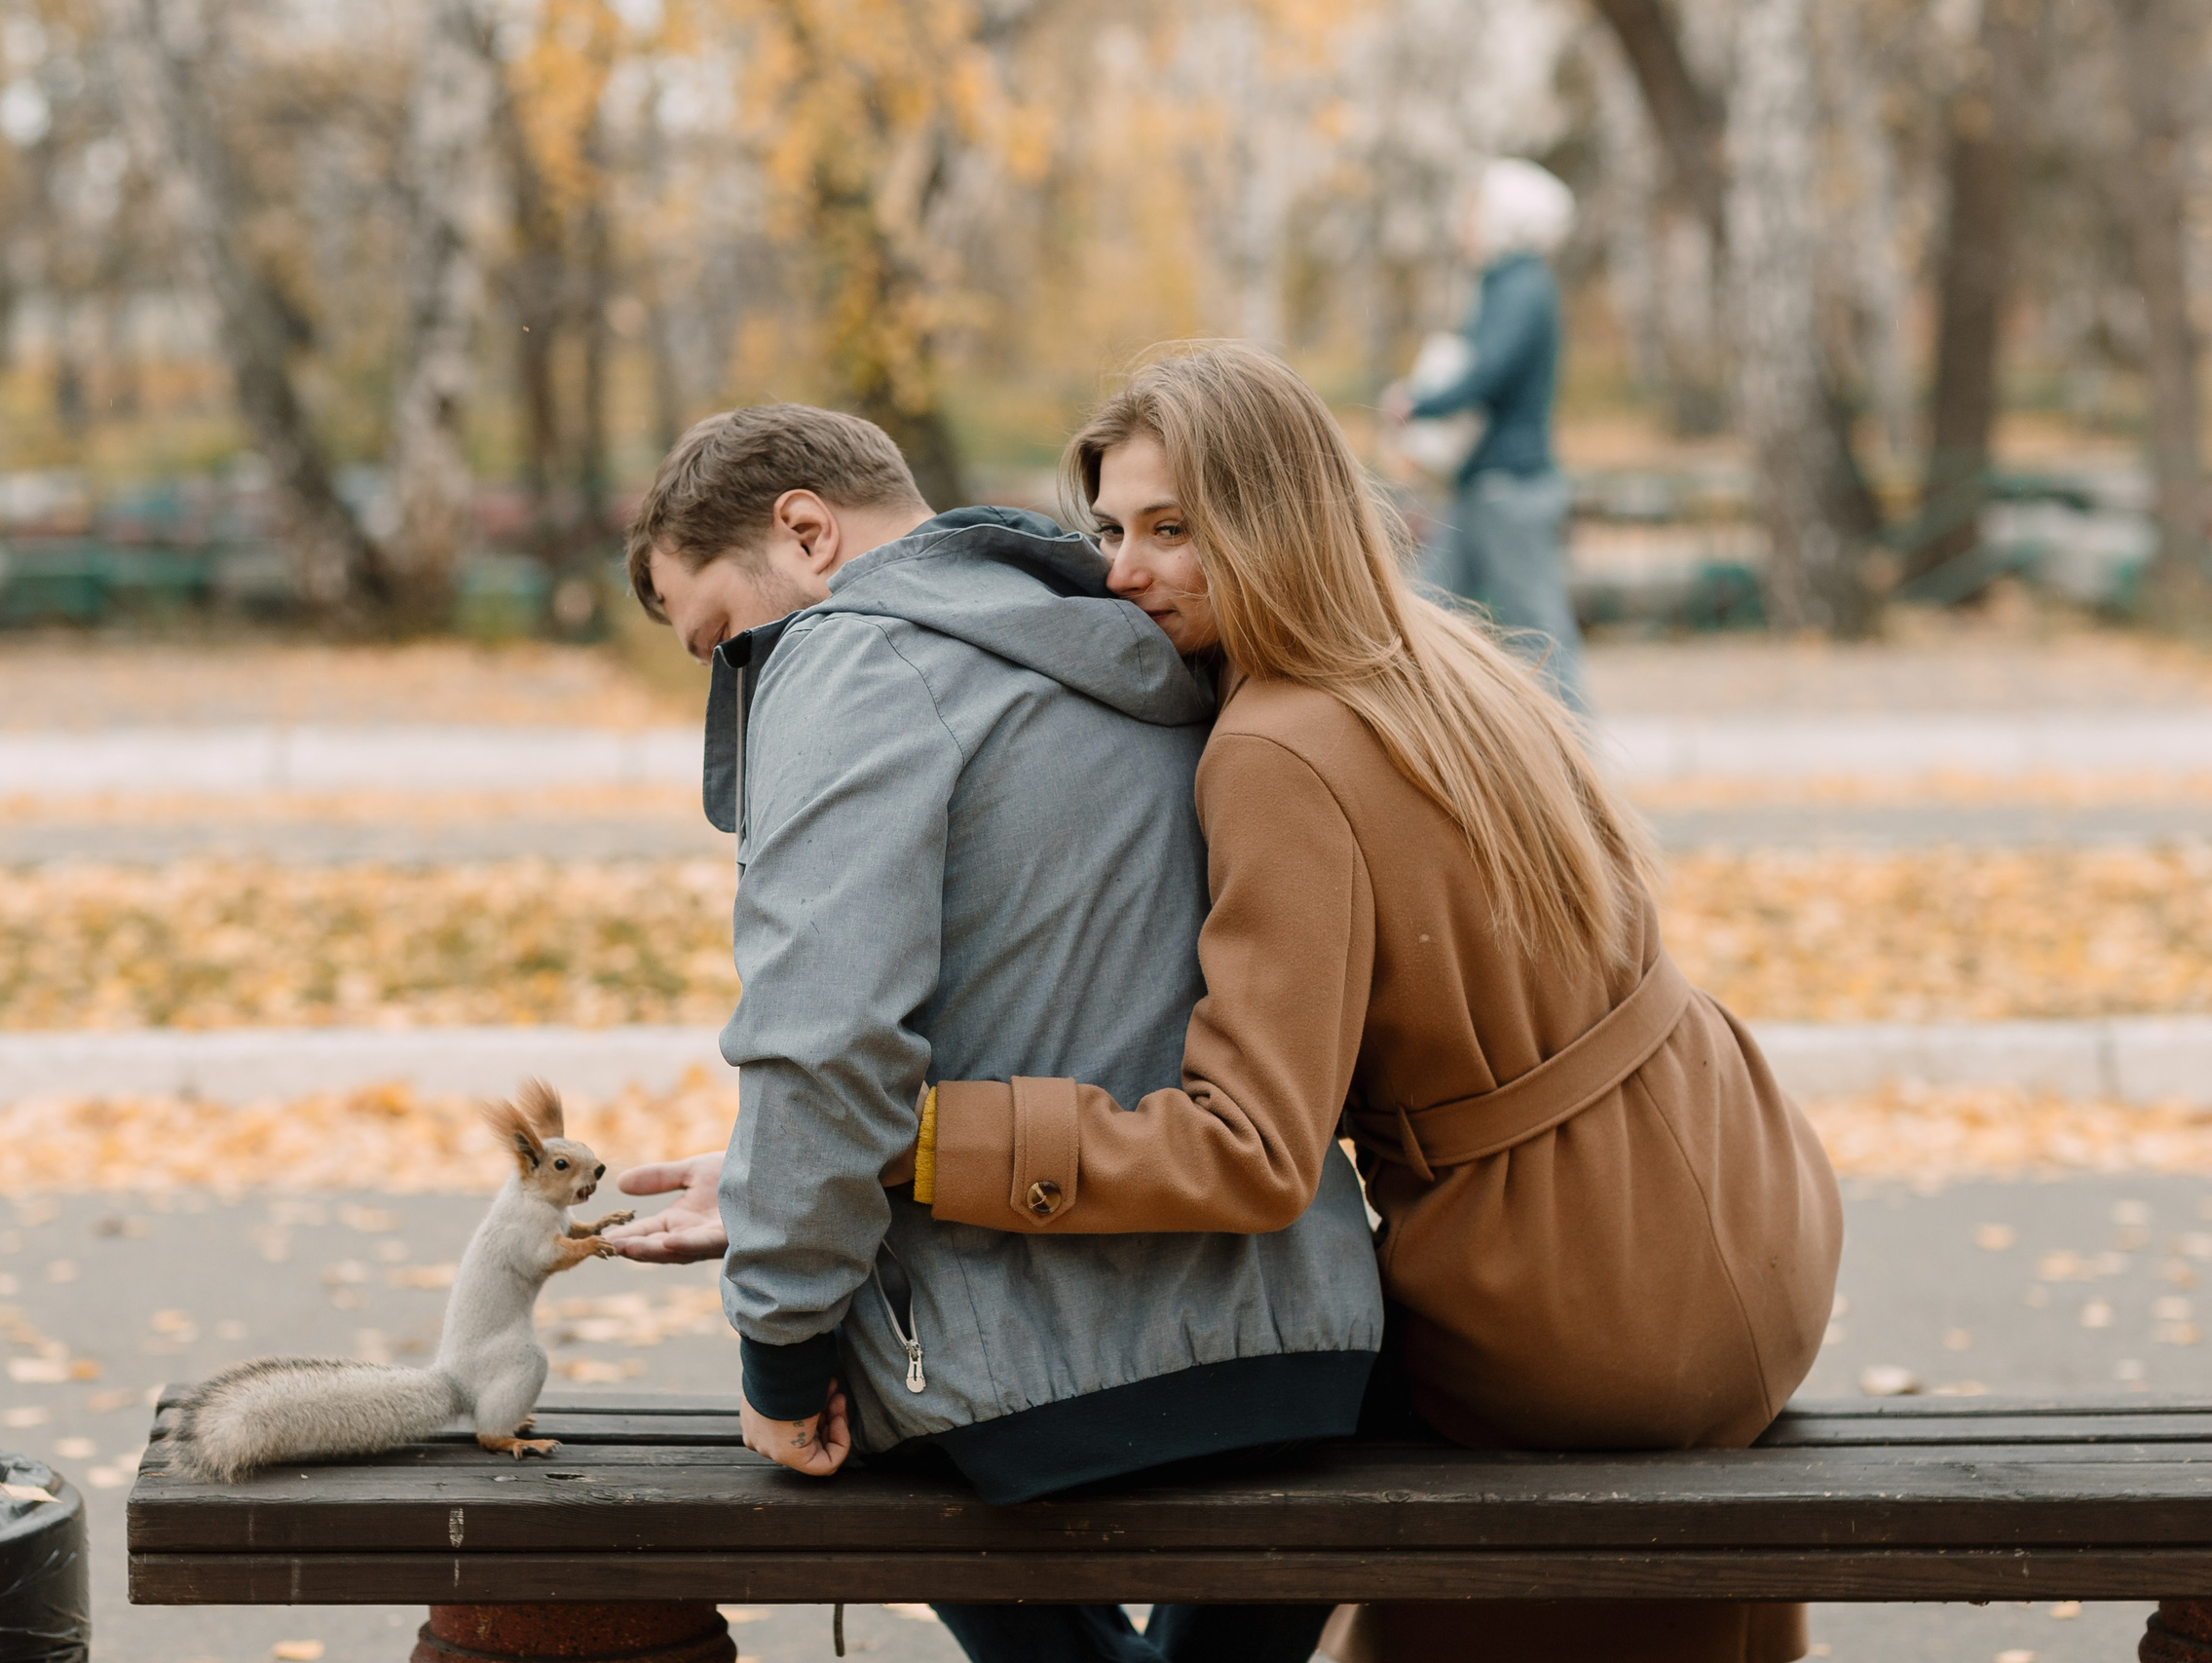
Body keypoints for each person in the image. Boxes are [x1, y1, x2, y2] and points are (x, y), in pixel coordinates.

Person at [907, 343, 1843, 1663]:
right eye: (1111, 528)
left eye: (1175, 528)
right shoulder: (1444, 660)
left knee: (1180, 1393)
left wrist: (936, 1138)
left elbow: (1250, 1149)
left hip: (1579, 1309)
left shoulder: (1278, 745)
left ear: (1273, 517)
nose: (1124, 571)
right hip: (1755, 1223)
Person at [617, 401, 1384, 1663]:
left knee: (828, 1420)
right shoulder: (1137, 635)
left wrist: (779, 1348)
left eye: (720, 640)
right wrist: (774, 1175)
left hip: (1038, 1388)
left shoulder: (848, 654)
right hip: (1306, 1343)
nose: (734, 676)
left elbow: (827, 1045)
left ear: (807, 532)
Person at [1384, 157, 1590, 713]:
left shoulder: (1520, 284)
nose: (1465, 224)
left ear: (1506, 218)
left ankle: (1579, 766)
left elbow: (1487, 372)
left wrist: (1417, 403)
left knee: (1538, 630)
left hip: (1510, 487)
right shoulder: (1505, 284)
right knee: (1428, 611)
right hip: (1484, 485)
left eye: (1476, 211)